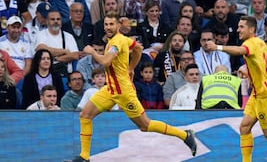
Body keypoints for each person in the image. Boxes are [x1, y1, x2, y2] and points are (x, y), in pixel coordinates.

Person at [71, 11, 197, 162]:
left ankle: (185, 135)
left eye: (112, 24)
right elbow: (138, 48)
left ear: (118, 25)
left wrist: (91, 51)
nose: (108, 27)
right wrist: (131, 68)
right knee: (85, 115)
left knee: (145, 125)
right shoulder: (122, 40)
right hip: (110, 89)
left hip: (123, 93)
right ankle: (84, 156)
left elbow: (105, 62)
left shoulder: (117, 43)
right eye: (106, 24)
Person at [206, 16, 267, 161]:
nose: (238, 30)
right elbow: (261, 66)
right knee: (244, 127)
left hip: (264, 95)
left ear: (251, 29)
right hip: (256, 94)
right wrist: (249, 73)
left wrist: (217, 47)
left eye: (241, 27)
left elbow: (239, 51)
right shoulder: (260, 43)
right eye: (238, 26)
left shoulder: (251, 43)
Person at [35, 10, 79, 77]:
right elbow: (41, 49)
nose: (56, 21)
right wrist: (64, 51)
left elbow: (75, 55)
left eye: (58, 19)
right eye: (52, 19)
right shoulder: (41, 34)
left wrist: (56, 59)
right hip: (46, 74)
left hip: (65, 74)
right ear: (47, 21)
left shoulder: (68, 36)